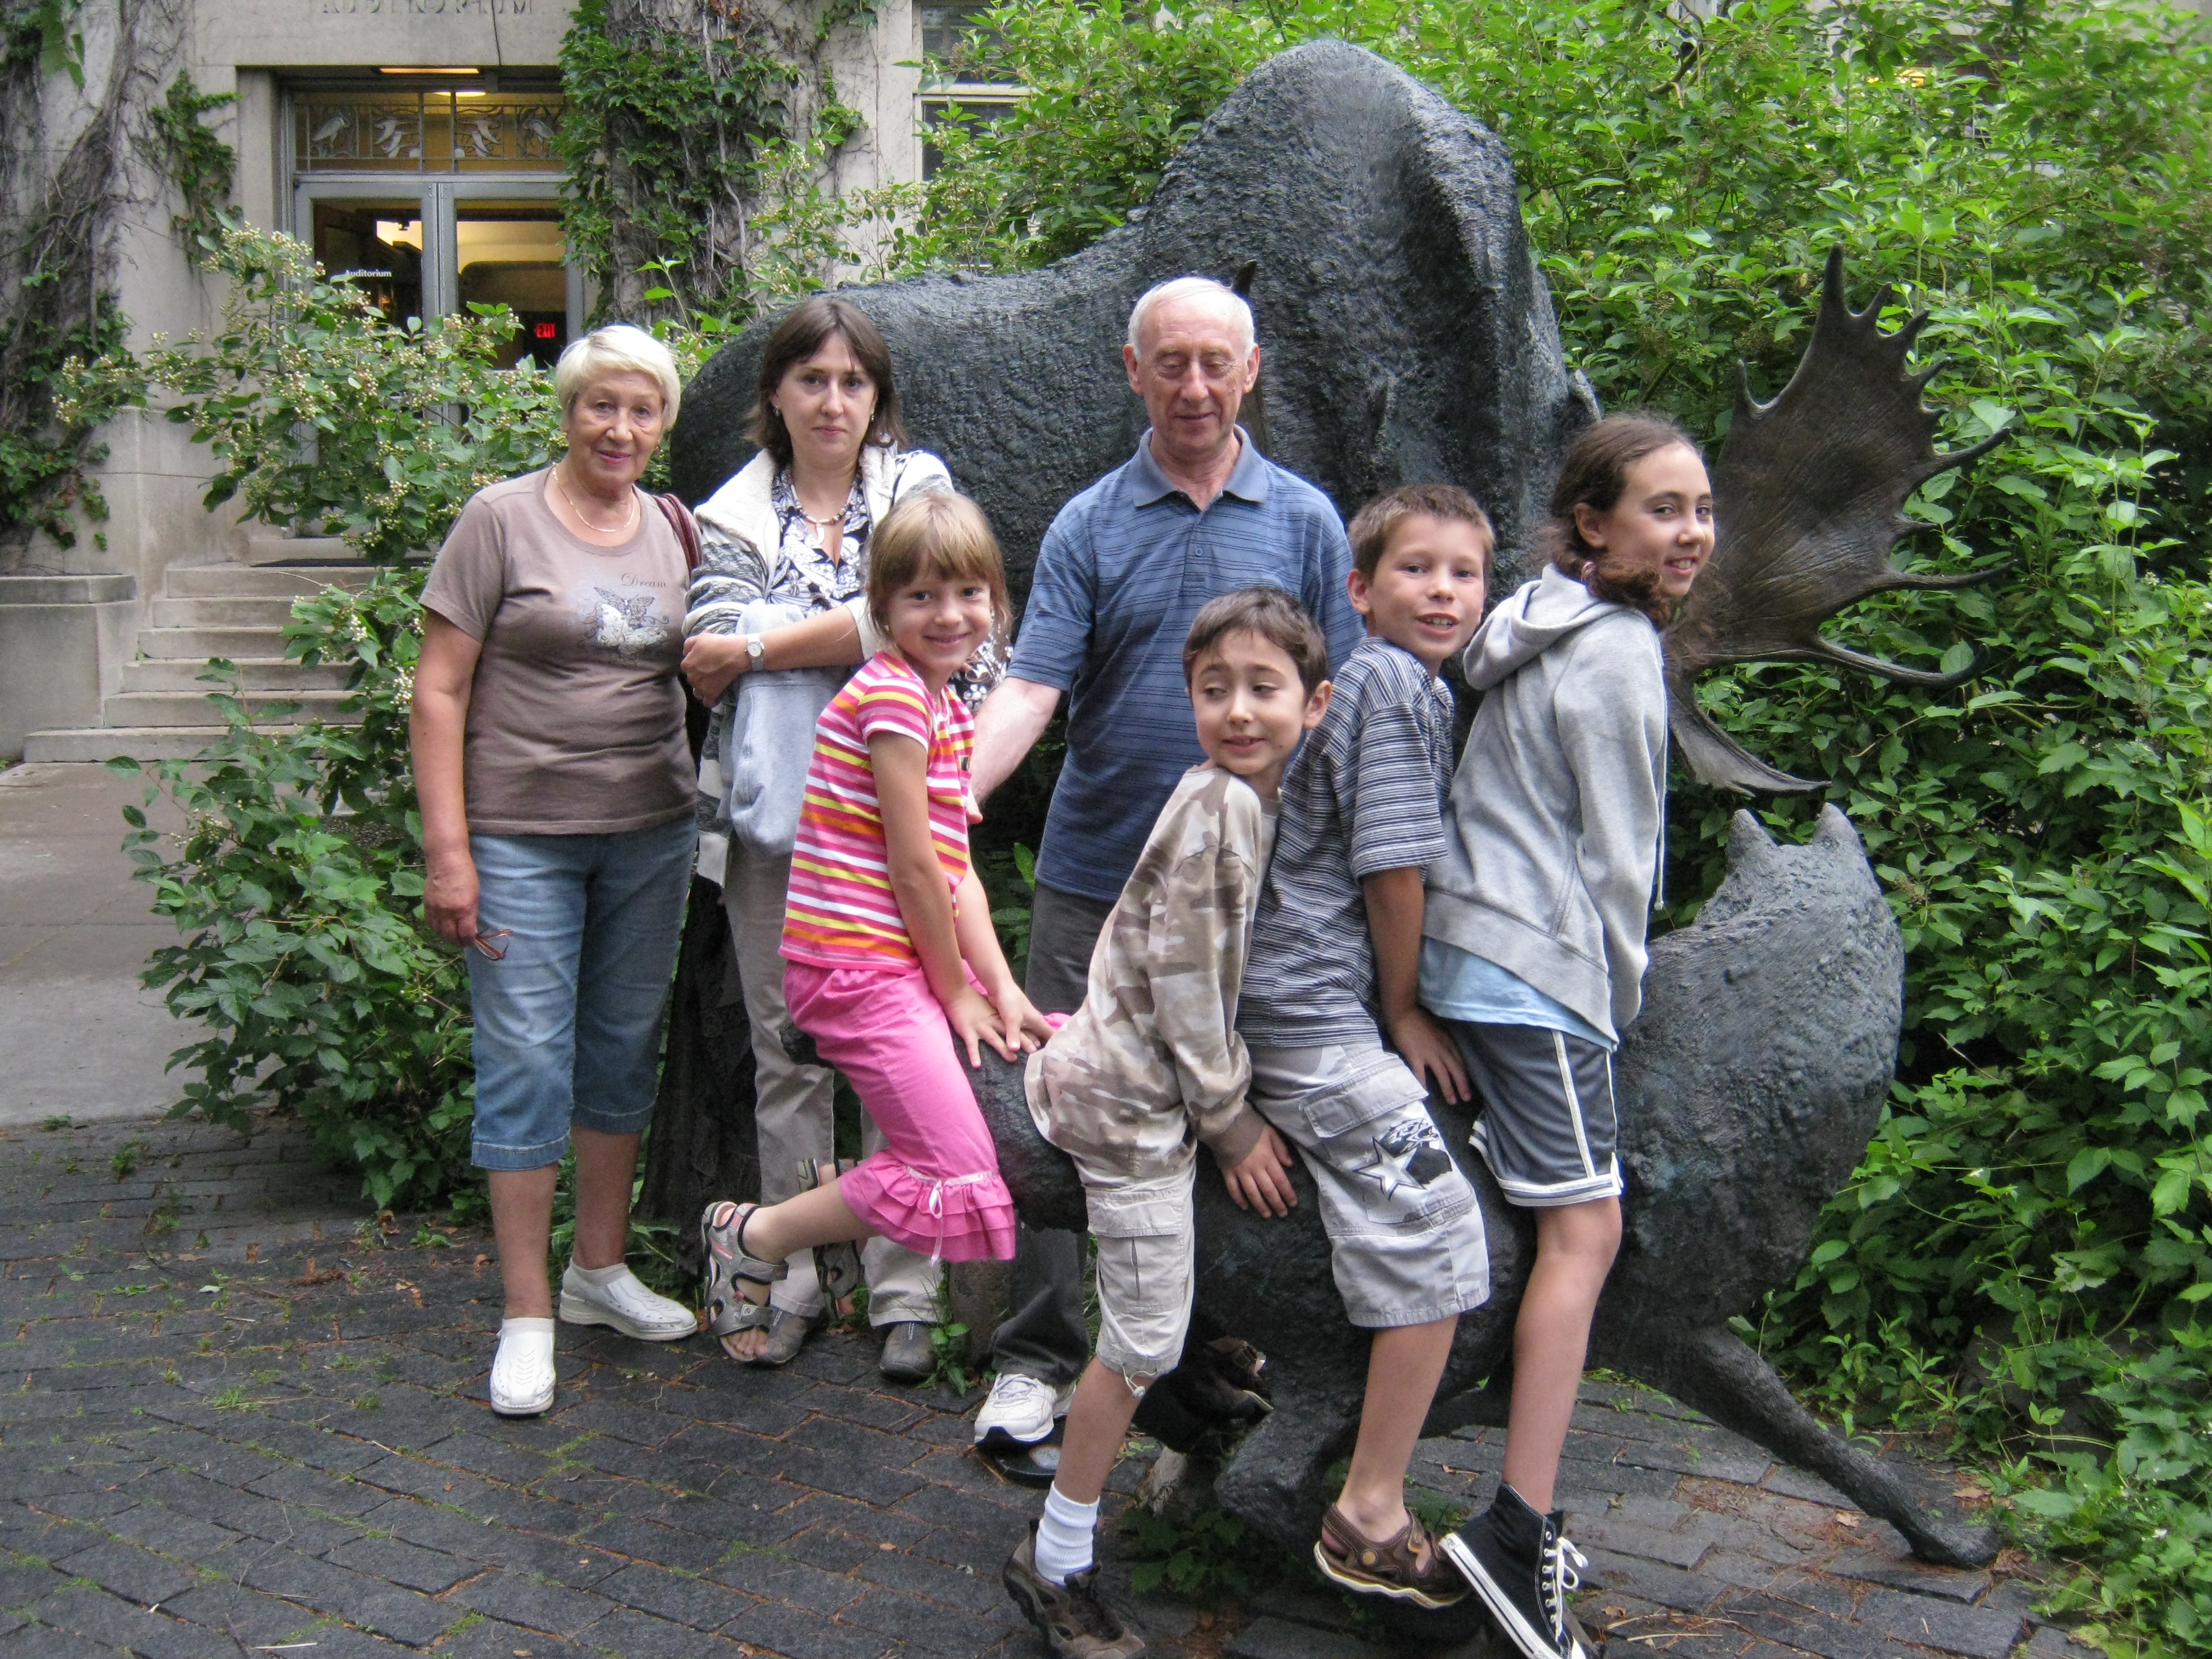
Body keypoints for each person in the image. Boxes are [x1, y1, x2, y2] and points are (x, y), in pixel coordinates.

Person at [966, 274, 1362, 1455]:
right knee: (1050, 1113)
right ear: (1133, 371)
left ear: (1251, 372)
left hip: (1250, 898)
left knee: (1226, 1112)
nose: (1195, 386)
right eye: (1171, 362)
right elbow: (1032, 686)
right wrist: (947, 801)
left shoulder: (1307, 521)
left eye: (1215, 362)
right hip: (1096, 879)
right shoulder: (1089, 523)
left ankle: (1199, 1360)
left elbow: (1343, 701)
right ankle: (1034, 1360)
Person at [1426, 417, 1712, 1659]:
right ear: (1594, 523)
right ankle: (1516, 1527)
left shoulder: (1536, 618)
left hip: (1472, 944)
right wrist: (1620, 1002)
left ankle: (1519, 1512)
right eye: (1663, 508)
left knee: (1553, 1217)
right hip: (1532, 971)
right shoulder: (1619, 652)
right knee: (1585, 1230)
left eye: (1701, 509)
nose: (1691, 532)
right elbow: (1620, 860)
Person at [1000, 589, 1330, 1659]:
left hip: (1116, 1072)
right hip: (1134, 1111)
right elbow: (1188, 982)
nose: (1237, 710)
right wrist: (1229, 1121)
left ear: (1316, 703)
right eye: (1213, 689)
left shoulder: (1229, 797)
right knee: (1140, 1338)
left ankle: (1199, 1409)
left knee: (1180, 1307)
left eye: (1263, 688)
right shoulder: (1225, 805)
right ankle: (1057, 1556)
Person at [682, 295, 991, 1379]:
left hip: (897, 825)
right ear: (775, 393)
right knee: (788, 1055)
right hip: (776, 830)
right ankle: (791, 1276)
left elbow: (958, 632)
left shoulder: (919, 487)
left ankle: (906, 1290)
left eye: (853, 381)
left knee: (905, 1054)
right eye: (811, 379)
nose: (832, 400)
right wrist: (850, 628)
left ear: (878, 397)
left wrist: (768, 644)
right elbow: (706, 648)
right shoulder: (730, 513)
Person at [411, 324, 701, 1419]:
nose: (619, 428)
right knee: (527, 1060)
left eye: (641, 410)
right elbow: (438, 688)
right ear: (568, 412)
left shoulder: (675, 528)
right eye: (600, 406)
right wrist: (450, 853)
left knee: (621, 1048)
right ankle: (527, 1315)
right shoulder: (500, 520)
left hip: (652, 830)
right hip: (518, 836)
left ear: (662, 424)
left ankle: (598, 1272)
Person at [697, 493, 1048, 1342]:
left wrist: (999, 987)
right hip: (854, 971)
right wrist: (955, 991)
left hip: (899, 965)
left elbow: (957, 871)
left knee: (1039, 1050)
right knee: (957, 1170)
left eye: (968, 593)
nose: (948, 615)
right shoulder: (892, 699)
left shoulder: (946, 706)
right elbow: (914, 867)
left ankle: (825, 1213)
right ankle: (756, 1235)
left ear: (996, 603)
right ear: (881, 607)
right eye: (921, 595)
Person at [1233, 483, 1496, 1607]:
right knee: (1441, 1229)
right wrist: (1405, 1011)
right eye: (1415, 570)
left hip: (1297, 994)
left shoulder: (1409, 686)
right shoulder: (1389, 686)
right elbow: (1392, 870)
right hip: (1308, 1007)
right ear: (1360, 590)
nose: (1441, 591)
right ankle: (1369, 1511)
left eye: (1464, 574)